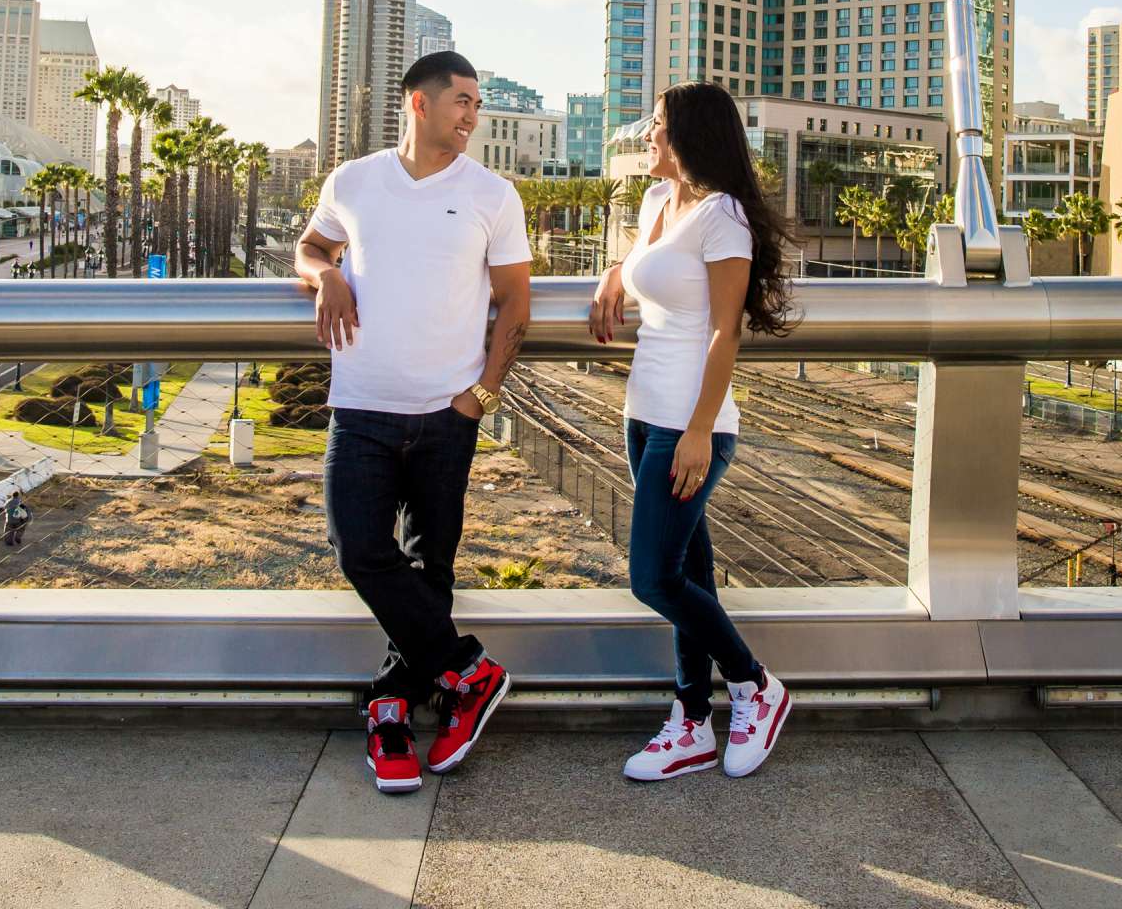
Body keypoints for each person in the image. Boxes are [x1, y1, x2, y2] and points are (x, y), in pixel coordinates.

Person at [296, 51, 533, 796]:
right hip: (361, 405)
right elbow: (309, 246)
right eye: (462, 100)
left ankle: (392, 708)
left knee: (431, 572)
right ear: (419, 104)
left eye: (478, 104)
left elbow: (516, 307)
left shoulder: (494, 193)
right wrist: (326, 274)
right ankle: (468, 672)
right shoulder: (354, 179)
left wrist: (480, 399)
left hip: (447, 413)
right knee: (358, 546)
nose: (472, 116)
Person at [591, 81, 797, 782]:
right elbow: (652, 270)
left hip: (691, 425)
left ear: (686, 137)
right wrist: (613, 275)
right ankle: (690, 722)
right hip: (644, 414)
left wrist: (701, 431)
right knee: (689, 573)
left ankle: (753, 684)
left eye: (655, 126)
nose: (647, 136)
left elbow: (723, 330)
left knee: (652, 578)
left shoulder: (725, 217)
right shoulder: (656, 202)